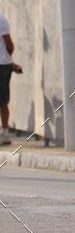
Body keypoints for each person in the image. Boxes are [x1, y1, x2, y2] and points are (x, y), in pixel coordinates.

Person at [0, 12, 22, 145]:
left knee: (2, 100)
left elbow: (10, 45)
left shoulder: (1, 20)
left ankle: (5, 134)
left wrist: (8, 61)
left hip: (2, 65)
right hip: (4, 64)